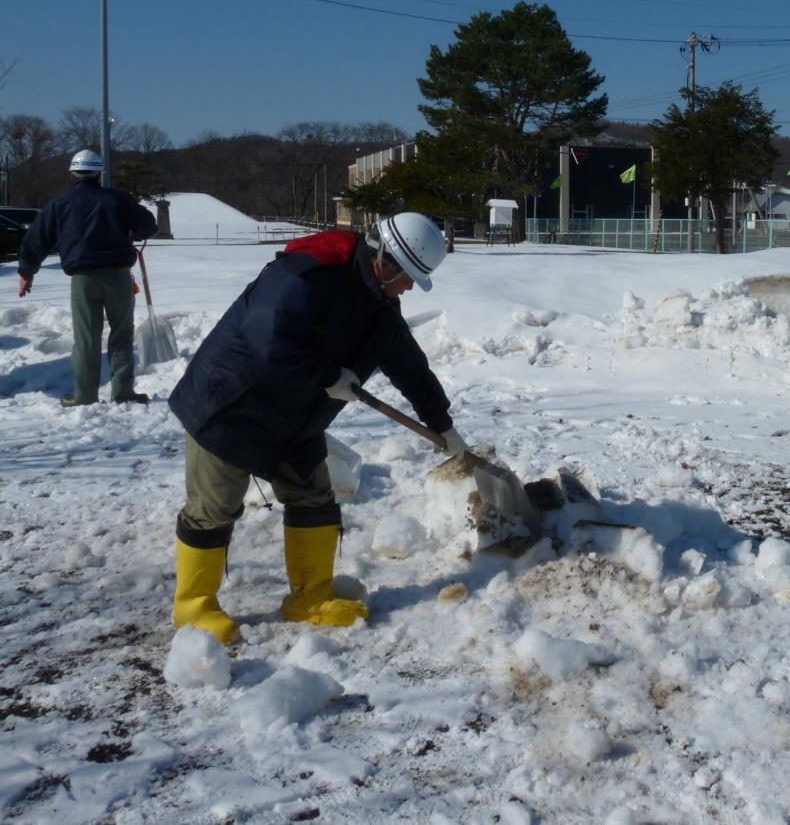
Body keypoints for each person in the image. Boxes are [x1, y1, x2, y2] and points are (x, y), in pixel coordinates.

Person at [167, 212, 468, 644]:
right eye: (407, 278)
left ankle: (310, 596)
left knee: (313, 497)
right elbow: (266, 337)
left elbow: (409, 366)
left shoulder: (379, 305)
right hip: (232, 403)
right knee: (214, 507)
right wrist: (327, 374)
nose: (407, 289)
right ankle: (193, 608)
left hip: (295, 417)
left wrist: (443, 424)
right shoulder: (305, 275)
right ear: (385, 261)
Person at [16, 149, 158, 407]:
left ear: (72, 173)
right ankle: (123, 393)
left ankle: (84, 395)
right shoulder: (118, 200)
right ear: (98, 173)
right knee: (122, 335)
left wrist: (27, 271)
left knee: (86, 338)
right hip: (118, 276)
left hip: (83, 279)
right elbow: (149, 226)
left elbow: (37, 239)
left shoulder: (59, 204)